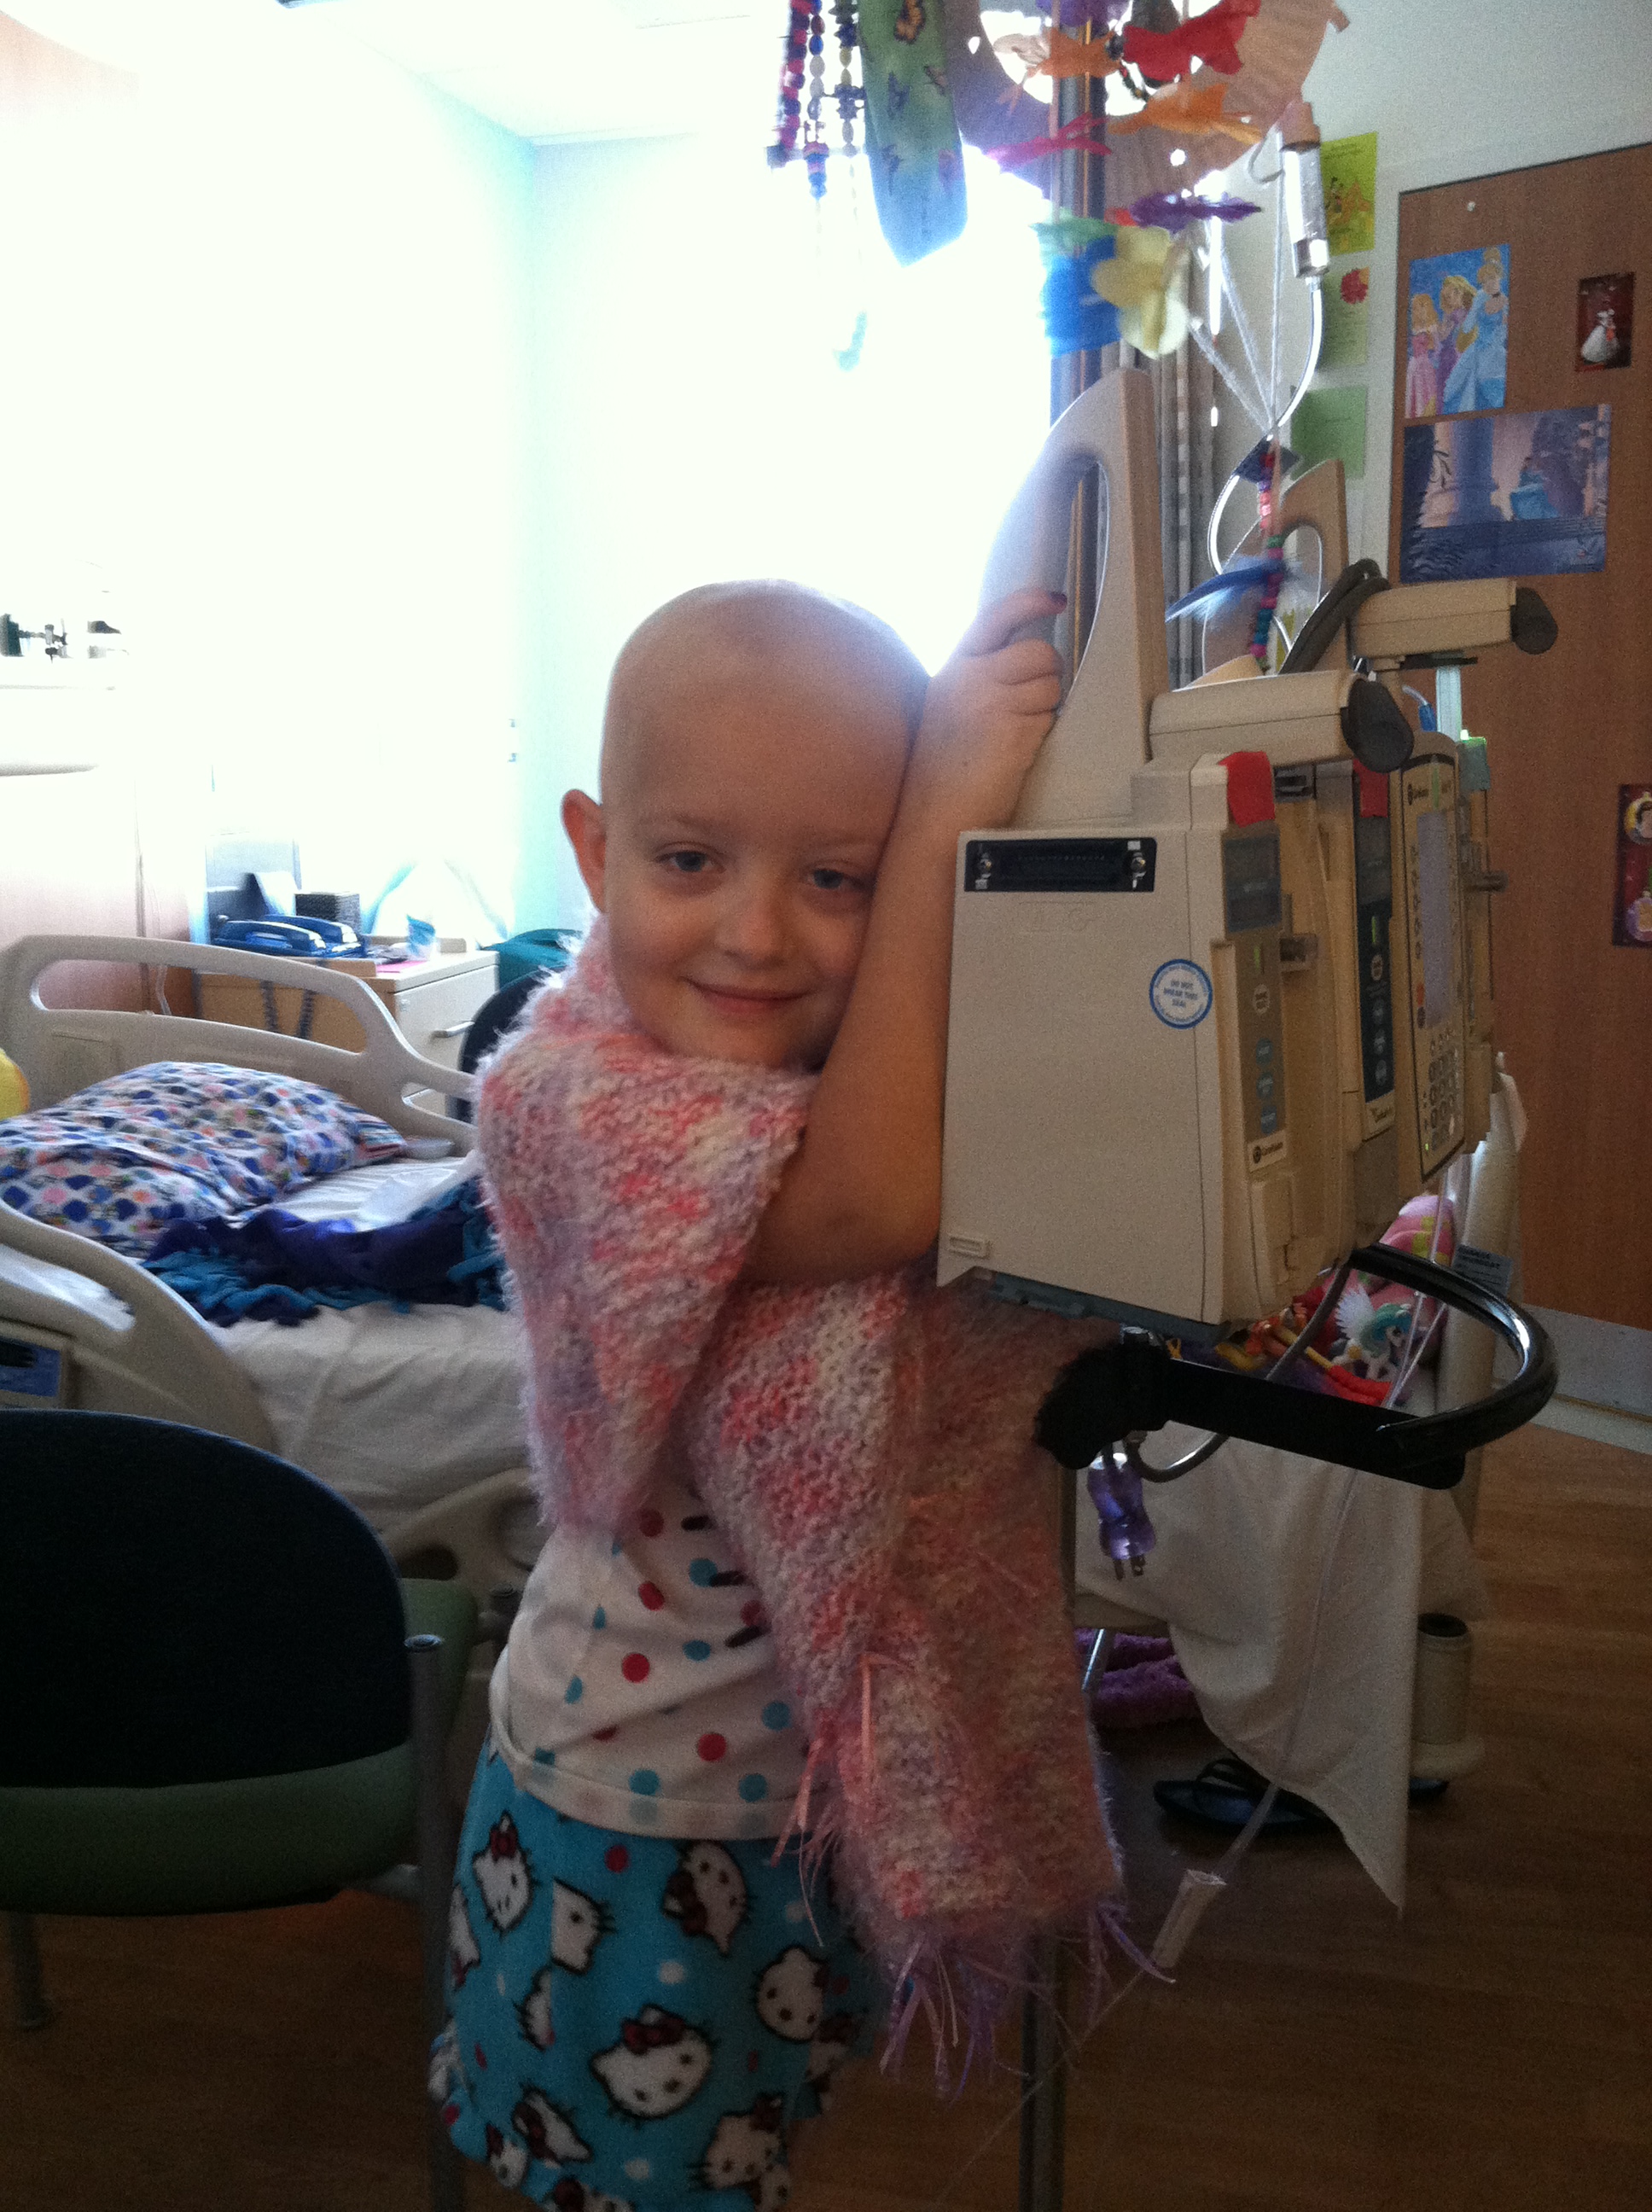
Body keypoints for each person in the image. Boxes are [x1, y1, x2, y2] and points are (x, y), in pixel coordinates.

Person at [430, 580, 1120, 2211]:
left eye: (835, 879)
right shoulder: (567, 1096)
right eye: (691, 862)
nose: (756, 934)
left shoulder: (832, 1069)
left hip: (807, 1800)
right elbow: (865, 1207)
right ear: (596, 852)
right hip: (629, 1803)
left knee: (757, 2152)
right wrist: (935, 816)